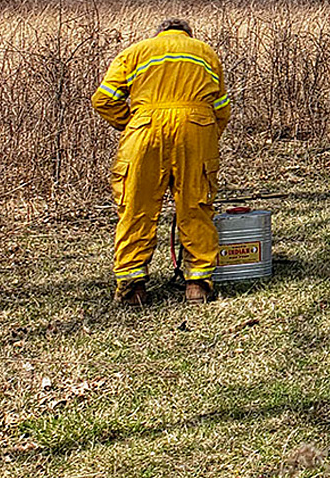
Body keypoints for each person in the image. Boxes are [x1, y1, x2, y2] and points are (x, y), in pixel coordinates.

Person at [92, 18, 231, 306]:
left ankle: (133, 288)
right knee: (196, 205)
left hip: (145, 133)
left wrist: (133, 124)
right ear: (188, 34)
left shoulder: (136, 52)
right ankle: (198, 285)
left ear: (158, 33)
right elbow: (221, 109)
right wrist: (205, 135)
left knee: (136, 208)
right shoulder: (205, 53)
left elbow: (103, 99)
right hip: (196, 129)